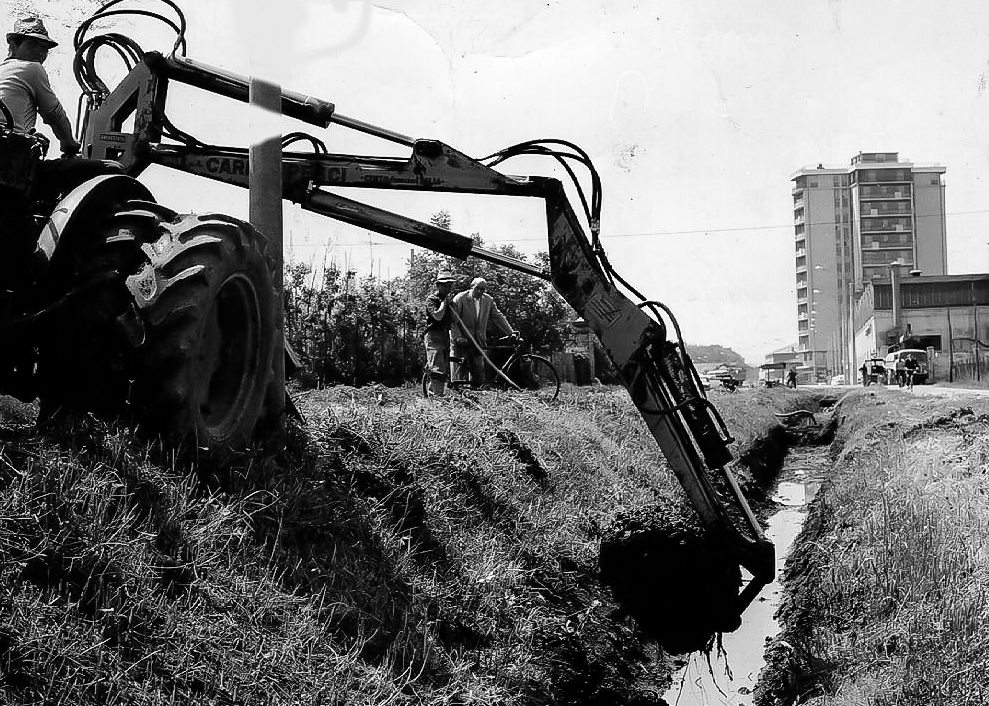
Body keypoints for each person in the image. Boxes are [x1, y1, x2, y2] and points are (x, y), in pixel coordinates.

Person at [0, 17, 120, 205]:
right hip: (11, 164)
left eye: (44, 48)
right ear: (14, 44)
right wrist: (69, 143)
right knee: (110, 169)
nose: (40, 53)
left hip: (11, 160)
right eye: (33, 45)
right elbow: (55, 115)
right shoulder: (31, 69)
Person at [451, 277, 516, 387]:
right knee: (459, 366)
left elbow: (498, 316)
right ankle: (455, 389)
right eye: (478, 288)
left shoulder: (488, 300)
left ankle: (475, 391)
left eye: (483, 289)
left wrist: (510, 332)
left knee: (478, 368)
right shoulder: (460, 299)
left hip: (478, 339)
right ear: (472, 287)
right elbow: (453, 320)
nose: (480, 291)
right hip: (462, 338)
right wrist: (458, 337)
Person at [423, 268, 458, 397]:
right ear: (438, 285)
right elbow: (437, 316)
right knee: (436, 367)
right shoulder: (432, 300)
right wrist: (444, 303)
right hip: (433, 335)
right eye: (445, 285)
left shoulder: (450, 302)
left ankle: (437, 394)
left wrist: (453, 306)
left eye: (450, 285)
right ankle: (436, 397)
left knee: (442, 367)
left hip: (445, 335)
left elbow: (455, 320)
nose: (448, 288)